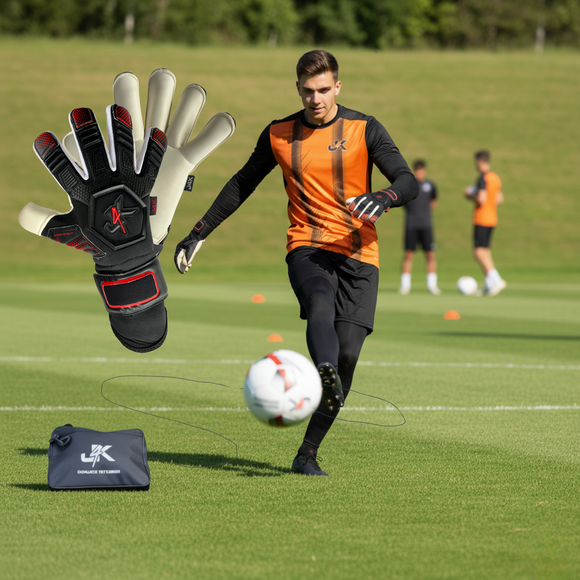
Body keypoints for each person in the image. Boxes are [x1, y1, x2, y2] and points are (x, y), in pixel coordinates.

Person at [174, 50, 418, 475]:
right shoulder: (279, 133)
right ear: (298, 89)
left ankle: (307, 453)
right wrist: (199, 231)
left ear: (337, 86)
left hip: (360, 253)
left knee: (349, 355)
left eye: (323, 90)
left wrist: (384, 196)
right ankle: (322, 370)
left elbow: (407, 180)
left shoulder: (365, 128)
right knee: (319, 300)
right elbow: (242, 183)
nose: (316, 99)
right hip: (307, 246)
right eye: (308, 91)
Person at [463, 150, 506, 296]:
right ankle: (489, 284)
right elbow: (499, 199)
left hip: (482, 218)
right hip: (492, 218)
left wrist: (470, 194)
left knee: (478, 252)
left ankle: (496, 279)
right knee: (485, 251)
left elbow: (481, 198)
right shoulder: (495, 177)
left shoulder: (483, 178)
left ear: (480, 161)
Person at [399, 159, 440, 295]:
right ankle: (405, 285)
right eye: (417, 171)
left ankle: (432, 285)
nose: (419, 173)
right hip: (411, 224)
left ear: (424, 171)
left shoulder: (430, 185)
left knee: (430, 254)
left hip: (426, 224)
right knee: (409, 254)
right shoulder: (409, 187)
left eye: (421, 171)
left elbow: (433, 202)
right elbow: (404, 204)